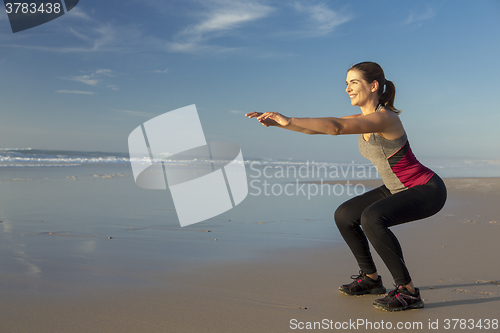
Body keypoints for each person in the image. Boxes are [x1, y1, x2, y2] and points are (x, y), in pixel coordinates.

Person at [244, 62, 447, 312]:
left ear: (373, 86)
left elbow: (335, 128)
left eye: (354, 82)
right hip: (396, 187)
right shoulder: (364, 119)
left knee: (373, 218)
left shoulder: (385, 118)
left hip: (426, 189)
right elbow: (326, 127)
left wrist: (289, 120)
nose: (347, 88)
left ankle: (408, 291)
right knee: (344, 215)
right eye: (346, 83)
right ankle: (371, 279)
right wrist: (281, 123)